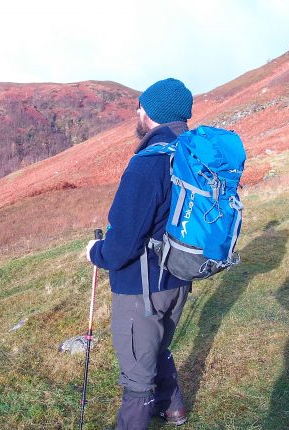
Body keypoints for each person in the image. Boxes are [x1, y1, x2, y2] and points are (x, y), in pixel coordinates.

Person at [86, 78, 194, 429]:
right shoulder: (192, 155)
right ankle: (172, 407)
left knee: (136, 373)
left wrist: (96, 253)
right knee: (159, 346)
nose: (137, 112)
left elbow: (122, 245)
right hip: (180, 276)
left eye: (142, 108)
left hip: (142, 287)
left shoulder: (147, 164)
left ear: (154, 117)